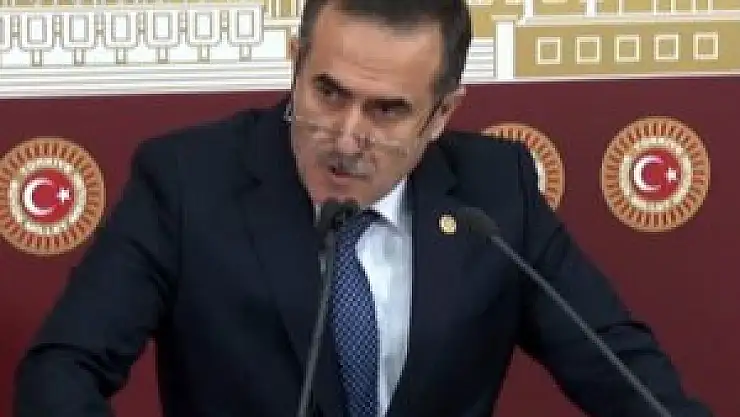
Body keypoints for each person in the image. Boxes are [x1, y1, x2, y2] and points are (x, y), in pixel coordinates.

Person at [13, 0, 713, 416]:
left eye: (386, 110)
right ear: (296, 62)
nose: (346, 137)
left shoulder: (496, 194)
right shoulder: (188, 182)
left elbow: (622, 370)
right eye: (328, 93)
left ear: (442, 114)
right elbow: (61, 371)